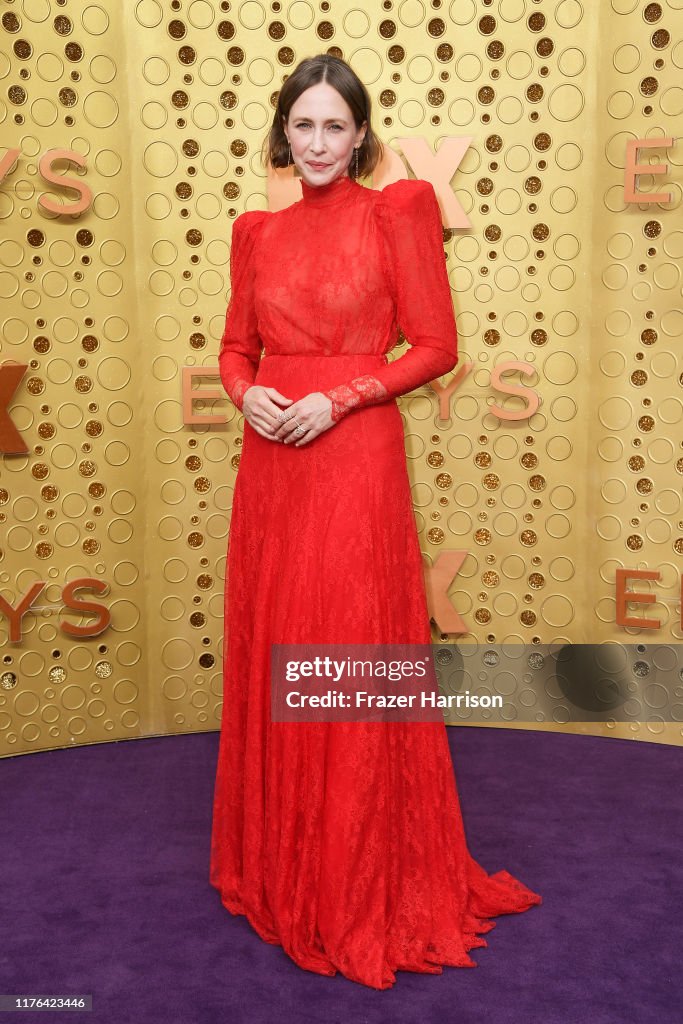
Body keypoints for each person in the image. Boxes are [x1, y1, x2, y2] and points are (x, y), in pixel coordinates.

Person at [210, 53, 542, 990]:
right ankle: (284, 863)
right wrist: (247, 396)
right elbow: (236, 346)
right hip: (274, 463)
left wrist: (346, 395)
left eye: (335, 126)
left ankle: (357, 874)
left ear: (361, 136)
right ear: (284, 132)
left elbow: (435, 345)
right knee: (281, 641)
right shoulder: (255, 232)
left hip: (353, 459)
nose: (317, 142)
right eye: (302, 125)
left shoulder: (395, 213)